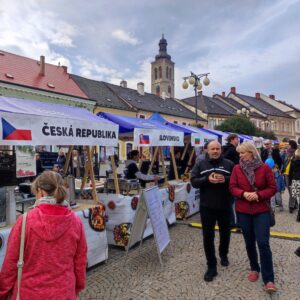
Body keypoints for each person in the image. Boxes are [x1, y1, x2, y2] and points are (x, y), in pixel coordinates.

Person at [0, 171, 87, 299]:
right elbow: (80, 262)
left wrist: (3, 293)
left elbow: (10, 265)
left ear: (40, 192)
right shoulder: (76, 222)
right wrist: (76, 286)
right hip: (63, 292)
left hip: (29, 293)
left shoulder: (24, 222)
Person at [229, 142, 277, 293]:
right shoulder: (237, 169)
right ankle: (255, 268)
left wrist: (258, 194)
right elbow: (232, 187)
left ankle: (269, 279)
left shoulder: (264, 168)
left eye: (242, 153)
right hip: (243, 210)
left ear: (251, 152)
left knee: (263, 243)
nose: (240, 156)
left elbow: (272, 188)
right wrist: (243, 194)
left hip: (261, 210)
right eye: (239, 153)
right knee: (249, 241)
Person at [191, 141, 234, 282]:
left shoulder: (229, 164)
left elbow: (236, 180)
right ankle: (211, 266)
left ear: (221, 150)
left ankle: (223, 254)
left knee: (225, 233)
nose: (215, 151)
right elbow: (193, 181)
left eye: (217, 148)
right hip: (207, 206)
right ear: (207, 150)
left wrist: (225, 179)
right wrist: (207, 179)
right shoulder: (200, 164)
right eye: (212, 149)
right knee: (208, 236)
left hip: (225, 205)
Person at [222, 134, 240, 228]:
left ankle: (230, 221)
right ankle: (235, 222)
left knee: (229, 201)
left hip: (226, 176)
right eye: (237, 139)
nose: (238, 140)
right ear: (232, 139)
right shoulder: (232, 149)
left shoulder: (224, 148)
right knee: (235, 200)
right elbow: (236, 163)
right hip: (233, 176)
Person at [283, 140, 298, 213]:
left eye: (288, 144)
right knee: (290, 191)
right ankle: (295, 204)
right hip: (286, 174)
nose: (287, 145)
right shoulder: (287, 153)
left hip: (294, 174)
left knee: (293, 191)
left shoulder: (296, 153)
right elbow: (284, 163)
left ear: (292, 145)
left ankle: (291, 206)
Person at [288, 148, 300, 221]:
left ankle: (296, 211)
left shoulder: (293, 161)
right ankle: (299, 215)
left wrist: (290, 182)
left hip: (295, 180)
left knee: (296, 198)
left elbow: (290, 173)